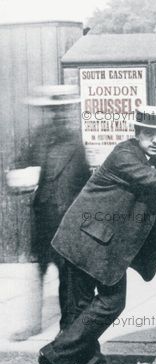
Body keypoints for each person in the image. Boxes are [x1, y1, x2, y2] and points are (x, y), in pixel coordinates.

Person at [38, 106, 156, 364]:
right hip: (83, 242)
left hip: (107, 247)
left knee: (89, 311)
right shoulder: (124, 155)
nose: (155, 140)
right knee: (101, 305)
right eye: (149, 134)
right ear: (137, 133)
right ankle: (63, 359)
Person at [10, 85, 91, 340]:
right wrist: (20, 180)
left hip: (65, 222)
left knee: (67, 278)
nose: (57, 116)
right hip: (43, 220)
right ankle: (34, 324)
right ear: (47, 112)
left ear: (66, 112)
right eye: (52, 111)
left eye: (60, 111)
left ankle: (67, 330)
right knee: (39, 273)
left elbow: (85, 183)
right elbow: (21, 171)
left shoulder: (76, 144)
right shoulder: (39, 139)